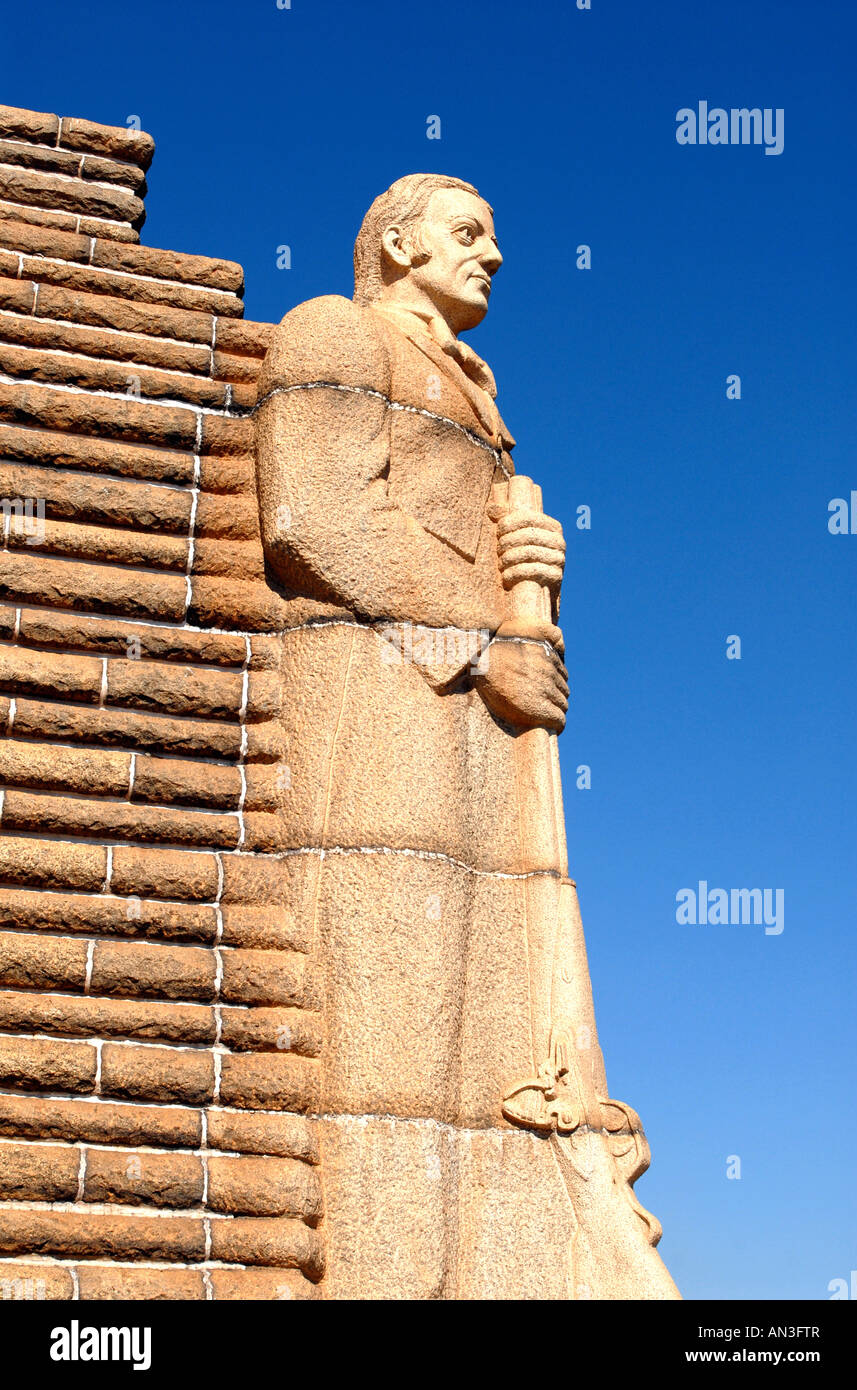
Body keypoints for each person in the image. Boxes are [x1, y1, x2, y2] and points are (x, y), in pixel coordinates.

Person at [254, 174, 679, 1299]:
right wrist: (482, 636)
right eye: (468, 232)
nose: (492, 255)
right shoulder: (335, 332)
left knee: (486, 1021)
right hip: (385, 701)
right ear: (397, 242)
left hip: (470, 713)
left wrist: (521, 573)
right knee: (391, 1016)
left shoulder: (480, 392)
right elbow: (317, 515)